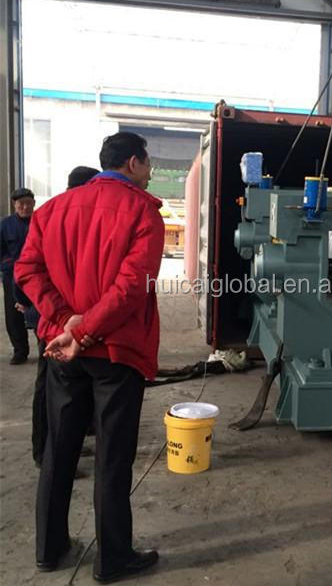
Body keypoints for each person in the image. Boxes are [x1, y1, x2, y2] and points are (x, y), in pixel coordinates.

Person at [15, 132, 164, 582]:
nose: (150, 171)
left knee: (59, 449)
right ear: (134, 163)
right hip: (116, 352)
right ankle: (113, 558)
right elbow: (131, 287)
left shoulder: (52, 210)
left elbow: (27, 269)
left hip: (63, 351)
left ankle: (50, 548)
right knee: (112, 457)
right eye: (148, 163)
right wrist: (84, 330)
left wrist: (66, 324)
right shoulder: (143, 211)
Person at [14, 166, 99, 468]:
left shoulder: (59, 215)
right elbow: (25, 268)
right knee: (48, 391)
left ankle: (66, 445)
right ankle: (44, 452)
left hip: (63, 319)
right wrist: (32, 306)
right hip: (53, 321)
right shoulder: (54, 216)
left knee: (67, 392)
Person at [1, 188, 35, 364]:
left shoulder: (41, 221)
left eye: (28, 203)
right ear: (14, 204)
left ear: (34, 204)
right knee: (14, 315)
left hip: (37, 276)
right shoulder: (5, 225)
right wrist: (8, 265)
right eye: (21, 204)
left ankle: (45, 346)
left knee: (40, 311)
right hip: (12, 277)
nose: (25, 207)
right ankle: (20, 351)